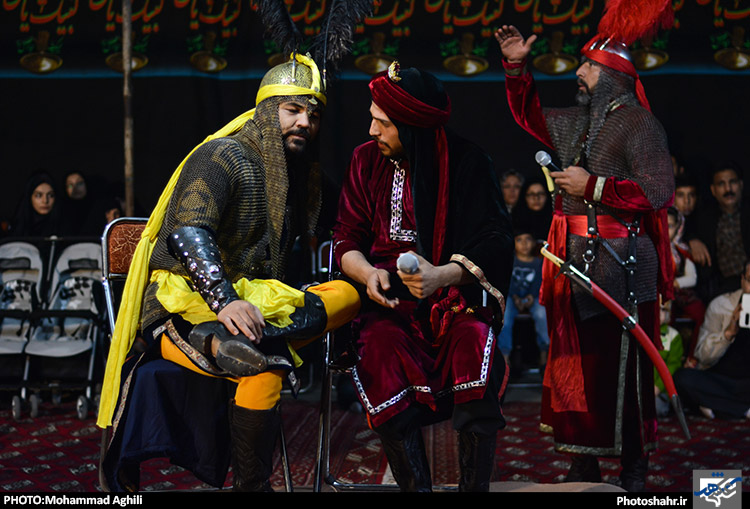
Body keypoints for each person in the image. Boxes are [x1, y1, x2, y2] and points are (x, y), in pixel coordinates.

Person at [97, 54, 361, 492]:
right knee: (265, 367)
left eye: (313, 116)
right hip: (187, 302)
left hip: (255, 304)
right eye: (293, 110)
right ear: (267, 110)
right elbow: (189, 232)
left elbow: (352, 218)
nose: (304, 122)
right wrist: (225, 301)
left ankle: (251, 340)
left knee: (350, 295)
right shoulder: (222, 155)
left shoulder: (302, 174)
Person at [495, 14, 675, 492]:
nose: (578, 72)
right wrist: (516, 69)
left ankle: (634, 463)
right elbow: (531, 116)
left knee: (625, 370)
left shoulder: (640, 124)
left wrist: (593, 185)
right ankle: (583, 460)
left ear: (611, 73)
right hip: (573, 259)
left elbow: (658, 191)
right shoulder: (580, 122)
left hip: (623, 263)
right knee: (577, 367)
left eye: (587, 66)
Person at [332, 62, 514, 492]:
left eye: (383, 123)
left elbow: (495, 239)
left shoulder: (468, 161)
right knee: (377, 350)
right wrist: (368, 274)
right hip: (386, 303)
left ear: (411, 126)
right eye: (372, 118)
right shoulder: (364, 160)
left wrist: (442, 276)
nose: (372, 131)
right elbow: (345, 237)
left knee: (474, 343)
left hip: (451, 299)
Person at [674, 259, 750, 420]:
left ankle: (719, 407)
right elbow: (703, 356)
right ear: (743, 280)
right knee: (682, 379)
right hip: (720, 380)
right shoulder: (720, 305)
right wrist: (728, 333)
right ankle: (742, 409)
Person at [687, 161, 750, 301]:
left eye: (732, 182)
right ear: (713, 190)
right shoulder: (705, 218)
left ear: (741, 185)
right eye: (721, 184)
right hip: (722, 288)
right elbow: (683, 226)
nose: (728, 189)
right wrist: (693, 240)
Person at [497, 228, 549, 368]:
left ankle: (544, 353)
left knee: (541, 314)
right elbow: (507, 280)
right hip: (512, 297)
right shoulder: (510, 261)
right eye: (519, 240)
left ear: (534, 243)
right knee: (505, 315)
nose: (524, 244)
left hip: (533, 296)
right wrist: (515, 296)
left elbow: (539, 281)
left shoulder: (539, 262)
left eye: (528, 239)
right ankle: (505, 356)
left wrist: (531, 296)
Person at [666, 206, 705, 361]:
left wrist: (677, 282)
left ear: (678, 227)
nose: (666, 230)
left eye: (670, 226)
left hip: (680, 293)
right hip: (662, 295)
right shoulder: (653, 248)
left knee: (700, 313)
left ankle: (691, 356)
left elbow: (692, 277)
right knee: (664, 318)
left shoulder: (682, 250)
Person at [11, 170, 62, 238]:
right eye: (38, 195)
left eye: (50, 195)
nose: (45, 201)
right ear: (29, 198)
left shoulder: (64, 226)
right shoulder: (19, 226)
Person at [655, 300, 684, 418]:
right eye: (655, 309)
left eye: (663, 309)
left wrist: (658, 386)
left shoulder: (673, 336)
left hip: (661, 390)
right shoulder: (640, 331)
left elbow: (673, 366)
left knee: (656, 408)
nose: (658, 313)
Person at [512, 176, 552, 245]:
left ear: (547, 196)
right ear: (524, 197)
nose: (536, 198)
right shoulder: (514, 221)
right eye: (531, 194)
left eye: (541, 194)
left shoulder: (556, 221)